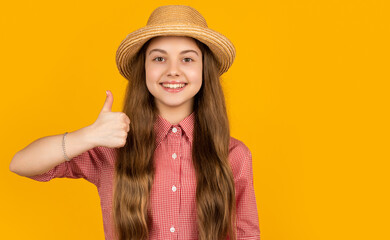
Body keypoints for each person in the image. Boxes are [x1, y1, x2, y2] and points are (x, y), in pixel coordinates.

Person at [9, 5, 260, 240]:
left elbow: (247, 234)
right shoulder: (111, 147)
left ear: (204, 70)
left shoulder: (234, 155)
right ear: (143, 69)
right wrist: (89, 136)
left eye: (187, 59)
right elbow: (21, 164)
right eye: (159, 58)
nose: (173, 70)